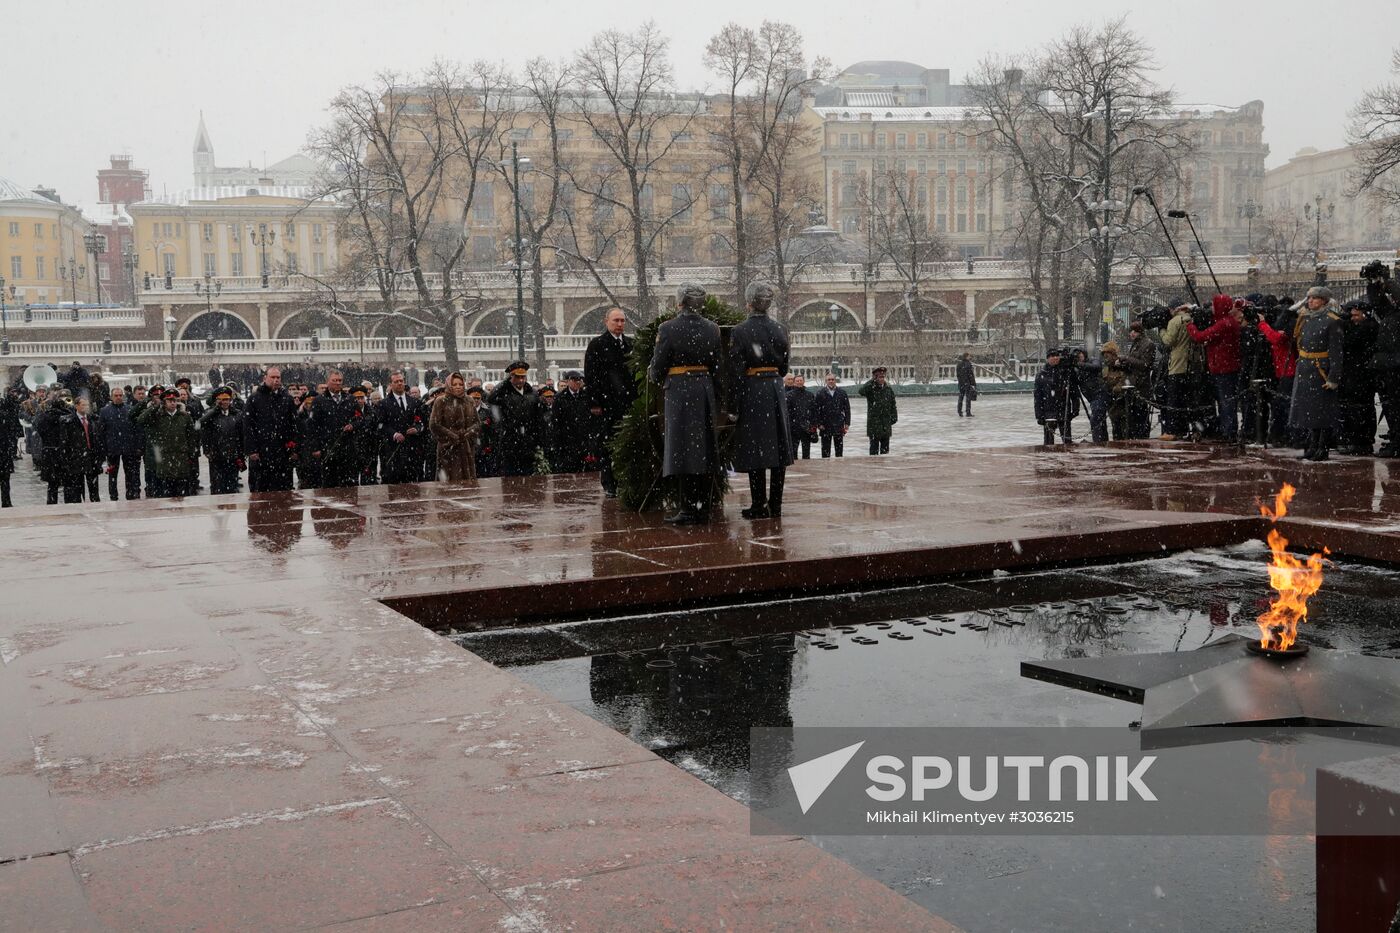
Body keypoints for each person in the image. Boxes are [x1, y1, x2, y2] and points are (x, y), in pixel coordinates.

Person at [648, 283, 722, 524]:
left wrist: (655, 375)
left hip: (679, 390)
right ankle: (702, 507)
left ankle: (688, 509)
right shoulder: (713, 329)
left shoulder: (668, 328)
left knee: (681, 450)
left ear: (680, 302)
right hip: (703, 389)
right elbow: (718, 367)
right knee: (702, 450)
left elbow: (658, 367)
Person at [729, 281, 793, 519]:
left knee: (756, 449)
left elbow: (736, 372)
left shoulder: (740, 331)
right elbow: (785, 368)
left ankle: (758, 504)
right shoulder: (781, 329)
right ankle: (775, 505)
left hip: (753, 390)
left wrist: (734, 406)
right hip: (775, 389)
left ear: (749, 303)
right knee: (778, 452)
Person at [584, 308, 637, 497]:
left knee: (628, 444)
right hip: (606, 405)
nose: (620, 324)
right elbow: (591, 376)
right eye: (616, 320)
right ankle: (609, 483)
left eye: (623, 321)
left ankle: (626, 480)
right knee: (607, 444)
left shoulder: (631, 344)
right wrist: (594, 402)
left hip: (628, 404)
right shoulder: (597, 345)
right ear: (606, 321)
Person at [1290, 286, 1345, 461]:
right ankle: (1312, 445)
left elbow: (1336, 353)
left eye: (1314, 298)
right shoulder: (1305, 318)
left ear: (1324, 300)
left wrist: (1333, 377)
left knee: (1322, 413)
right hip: (1306, 369)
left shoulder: (1332, 321)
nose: (1310, 301)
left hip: (1321, 370)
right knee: (1309, 412)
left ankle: (1323, 447)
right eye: (1309, 298)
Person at [1187, 294, 1243, 442]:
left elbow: (1200, 337)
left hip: (1223, 368)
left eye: (1214, 305)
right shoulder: (1228, 322)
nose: (1212, 308)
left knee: (1226, 401)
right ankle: (1228, 429)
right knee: (1227, 400)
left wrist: (1190, 325)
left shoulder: (1223, 324)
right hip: (1227, 366)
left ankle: (1228, 432)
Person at [242, 366, 299, 492]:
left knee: (283, 489)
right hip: (261, 452)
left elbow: (294, 424)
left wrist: (294, 447)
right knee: (260, 489)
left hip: (282, 451)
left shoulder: (287, 399)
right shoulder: (254, 399)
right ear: (265, 378)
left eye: (278, 377)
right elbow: (247, 426)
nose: (276, 380)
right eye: (272, 377)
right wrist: (252, 450)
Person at [135, 389, 197, 497]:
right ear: (164, 402)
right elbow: (140, 420)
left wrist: (191, 454)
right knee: (165, 494)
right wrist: (155, 407)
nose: (173, 403)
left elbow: (191, 436)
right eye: (169, 400)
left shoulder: (184, 416)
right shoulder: (158, 416)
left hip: (180, 459)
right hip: (164, 460)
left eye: (174, 400)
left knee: (182, 494)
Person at [486, 361, 544, 476]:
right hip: (510, 442)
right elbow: (491, 398)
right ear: (511, 377)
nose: (521, 380)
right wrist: (505, 383)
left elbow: (538, 418)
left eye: (523, 377)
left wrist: (538, 440)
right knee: (510, 478)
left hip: (528, 442)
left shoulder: (532, 393)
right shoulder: (503, 392)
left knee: (528, 478)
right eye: (517, 377)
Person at [1337, 300, 1379, 456]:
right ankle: (1353, 439)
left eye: (1355, 315)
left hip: (1362, 375)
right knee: (1351, 408)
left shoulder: (1369, 327)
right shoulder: (1356, 326)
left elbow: (1350, 341)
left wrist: (1344, 322)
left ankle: (1362, 441)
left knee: (1361, 409)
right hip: (1352, 373)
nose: (1352, 318)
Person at [1260, 298, 1301, 448]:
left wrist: (1263, 324)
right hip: (1282, 370)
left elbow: (1275, 338)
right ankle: (1284, 434)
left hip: (1288, 370)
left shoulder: (1288, 327)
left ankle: (1287, 435)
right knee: (1282, 404)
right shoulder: (1285, 326)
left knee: (1284, 405)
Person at [377, 371, 427, 484]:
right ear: (390, 384)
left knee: (413, 487)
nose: (400, 383)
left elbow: (423, 422)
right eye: (396, 381)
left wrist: (417, 429)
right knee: (394, 487)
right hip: (393, 450)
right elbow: (381, 425)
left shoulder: (415, 402)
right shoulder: (383, 404)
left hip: (412, 450)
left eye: (401, 381)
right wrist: (394, 434)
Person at [429, 372, 480, 481]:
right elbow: (434, 425)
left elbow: (477, 423)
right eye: (454, 384)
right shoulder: (441, 401)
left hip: (466, 448)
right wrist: (451, 436)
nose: (458, 387)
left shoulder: (469, 400)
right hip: (447, 448)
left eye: (460, 384)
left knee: (467, 483)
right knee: (447, 483)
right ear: (448, 385)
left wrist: (467, 434)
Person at [314, 370, 359, 488]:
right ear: (328, 382)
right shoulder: (319, 400)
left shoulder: (350, 399)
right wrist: (316, 447)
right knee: (330, 486)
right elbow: (313, 426)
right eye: (334, 380)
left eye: (340, 381)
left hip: (348, 448)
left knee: (349, 486)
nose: (338, 383)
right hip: (328, 447)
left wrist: (353, 425)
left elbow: (360, 419)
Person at [96, 387, 142, 501]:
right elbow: (101, 432)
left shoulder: (130, 409)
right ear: (112, 397)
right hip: (112, 448)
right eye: (116, 395)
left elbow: (137, 430)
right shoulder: (105, 411)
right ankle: (113, 496)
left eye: (120, 395)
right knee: (112, 475)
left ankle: (130, 494)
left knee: (130, 474)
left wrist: (137, 446)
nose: (118, 397)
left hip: (128, 447)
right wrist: (103, 449)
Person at [200, 386, 246, 495]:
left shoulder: (237, 414)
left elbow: (242, 434)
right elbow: (202, 430)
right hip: (217, 456)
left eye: (226, 399)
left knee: (232, 486)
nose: (224, 402)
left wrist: (242, 453)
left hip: (233, 455)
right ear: (216, 401)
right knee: (217, 486)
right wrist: (207, 450)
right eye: (220, 400)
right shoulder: (210, 415)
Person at [1159, 304, 1195, 440]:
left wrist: (1162, 331)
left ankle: (1173, 430)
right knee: (1185, 399)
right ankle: (1184, 428)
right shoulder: (1190, 319)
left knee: (1173, 399)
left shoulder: (1175, 321)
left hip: (1177, 365)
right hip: (1189, 365)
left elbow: (1168, 341)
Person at [1120, 321, 1158, 439]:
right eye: (1131, 331)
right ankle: (1135, 437)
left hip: (1142, 385)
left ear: (1140, 332)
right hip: (1132, 383)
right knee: (1133, 415)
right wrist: (1122, 363)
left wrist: (1127, 358)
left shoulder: (1148, 344)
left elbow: (1145, 364)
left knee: (1141, 414)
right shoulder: (1135, 344)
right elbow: (1133, 363)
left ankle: (1142, 437)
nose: (1132, 333)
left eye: (1134, 331)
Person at [551, 370, 593, 474]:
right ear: (568, 381)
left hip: (583, 441)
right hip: (567, 442)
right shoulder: (560, 398)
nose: (577, 382)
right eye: (574, 380)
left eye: (579, 380)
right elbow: (556, 422)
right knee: (568, 473)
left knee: (585, 474)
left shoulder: (585, 396)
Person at [1034, 349, 1080, 444]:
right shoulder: (1041, 375)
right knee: (1048, 442)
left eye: (1057, 355)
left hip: (1064, 409)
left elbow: (1074, 392)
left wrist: (1076, 409)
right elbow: (1038, 397)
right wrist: (1039, 415)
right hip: (1048, 411)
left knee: (1067, 440)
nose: (1055, 358)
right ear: (1048, 358)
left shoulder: (1066, 372)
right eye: (1052, 356)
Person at [34, 393, 69, 504]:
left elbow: (39, 429)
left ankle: (51, 503)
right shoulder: (67, 416)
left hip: (49, 451)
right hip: (64, 451)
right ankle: (69, 503)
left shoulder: (44, 417)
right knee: (67, 481)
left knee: (52, 483)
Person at [859, 367, 897, 455]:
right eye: (879, 377)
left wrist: (894, 417)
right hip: (874, 425)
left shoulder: (888, 389)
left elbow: (893, 405)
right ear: (875, 378)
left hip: (885, 425)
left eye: (883, 377)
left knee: (885, 452)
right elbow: (861, 391)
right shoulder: (871, 388)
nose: (882, 379)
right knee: (873, 452)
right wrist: (871, 381)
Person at [811, 373, 850, 457]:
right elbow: (816, 410)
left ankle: (839, 466)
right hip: (825, 425)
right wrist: (819, 423)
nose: (831, 381)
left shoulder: (842, 393)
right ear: (826, 381)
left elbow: (847, 409)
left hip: (838, 424)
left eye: (832, 379)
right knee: (825, 451)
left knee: (839, 451)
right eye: (829, 380)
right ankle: (825, 466)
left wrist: (847, 423)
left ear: (835, 380)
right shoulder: (820, 393)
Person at [466, 385, 497, 478]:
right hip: (468, 448)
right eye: (473, 398)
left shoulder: (487, 412)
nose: (475, 400)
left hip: (483, 448)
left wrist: (490, 446)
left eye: (477, 398)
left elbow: (494, 430)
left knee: (483, 475)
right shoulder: (463, 411)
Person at [785, 374, 814, 460]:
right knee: (793, 453)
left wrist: (813, 425)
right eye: (797, 381)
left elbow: (813, 411)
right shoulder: (789, 395)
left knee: (806, 453)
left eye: (801, 380)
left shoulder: (809, 395)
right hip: (793, 428)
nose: (799, 382)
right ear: (794, 382)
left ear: (804, 381)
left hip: (806, 427)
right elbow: (787, 412)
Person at [0, 389, 20, 507]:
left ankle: (6, 502)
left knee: (5, 480)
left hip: (4, 451)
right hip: (5, 452)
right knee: (5, 480)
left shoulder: (6, 414)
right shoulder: (6, 413)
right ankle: (6, 502)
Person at [956, 352, 977, 417]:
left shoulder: (959, 364)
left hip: (961, 383)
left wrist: (960, 381)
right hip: (967, 383)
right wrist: (973, 383)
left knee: (961, 397)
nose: (970, 357)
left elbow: (958, 375)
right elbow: (970, 375)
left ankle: (959, 411)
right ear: (967, 356)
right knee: (968, 398)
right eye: (969, 356)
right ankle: (968, 412)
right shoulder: (968, 364)